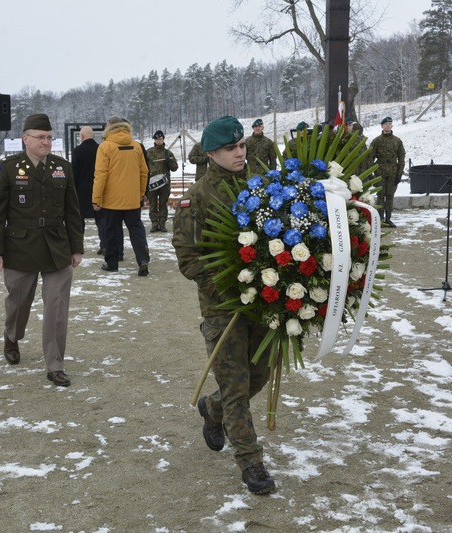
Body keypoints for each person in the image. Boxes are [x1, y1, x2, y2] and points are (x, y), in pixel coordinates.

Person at [172, 115, 276, 495]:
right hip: (222, 308)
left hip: (263, 301)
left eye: (242, 145)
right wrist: (225, 287)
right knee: (235, 385)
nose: (239, 152)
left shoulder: (262, 187)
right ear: (211, 154)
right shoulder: (196, 198)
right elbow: (187, 256)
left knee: (259, 375)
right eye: (231, 148)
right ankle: (251, 461)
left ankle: (212, 409)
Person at [0, 113, 84, 387]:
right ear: (25, 139)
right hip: (20, 246)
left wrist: (77, 248)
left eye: (50, 137)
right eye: (41, 137)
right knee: (18, 302)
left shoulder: (62, 167)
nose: (46, 142)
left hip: (56, 246)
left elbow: (72, 211)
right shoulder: (9, 168)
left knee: (57, 306)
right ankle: (12, 336)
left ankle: (55, 364)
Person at [92, 116, 150, 276]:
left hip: (111, 200)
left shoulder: (105, 147)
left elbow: (101, 175)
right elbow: (144, 172)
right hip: (132, 199)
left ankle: (112, 263)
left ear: (109, 128)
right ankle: (143, 259)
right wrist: (140, 193)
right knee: (136, 229)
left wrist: (96, 199)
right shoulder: (136, 146)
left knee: (111, 231)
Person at [72, 126, 122, 259]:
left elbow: (74, 173)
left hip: (81, 192)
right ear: (94, 136)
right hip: (100, 190)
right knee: (101, 220)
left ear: (81, 137)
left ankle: (78, 247)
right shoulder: (101, 149)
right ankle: (104, 245)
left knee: (79, 221)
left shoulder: (77, 151)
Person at [369, 116, 405, 228]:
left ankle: (388, 219)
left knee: (390, 196)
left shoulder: (397, 141)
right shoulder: (377, 141)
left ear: (392, 126)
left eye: (390, 124)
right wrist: (371, 174)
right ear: (382, 126)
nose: (388, 126)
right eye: (386, 124)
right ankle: (379, 219)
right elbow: (370, 158)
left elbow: (401, 157)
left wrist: (399, 173)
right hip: (380, 172)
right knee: (380, 195)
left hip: (393, 173)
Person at [145, 130, 178, 232]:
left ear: (163, 139)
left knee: (163, 204)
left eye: (160, 139)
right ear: (154, 140)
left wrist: (169, 163)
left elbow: (175, 168)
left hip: (165, 184)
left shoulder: (168, 153)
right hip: (152, 184)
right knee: (153, 205)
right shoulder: (148, 152)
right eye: (157, 139)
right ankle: (154, 224)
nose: (158, 141)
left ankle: (162, 224)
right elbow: (142, 166)